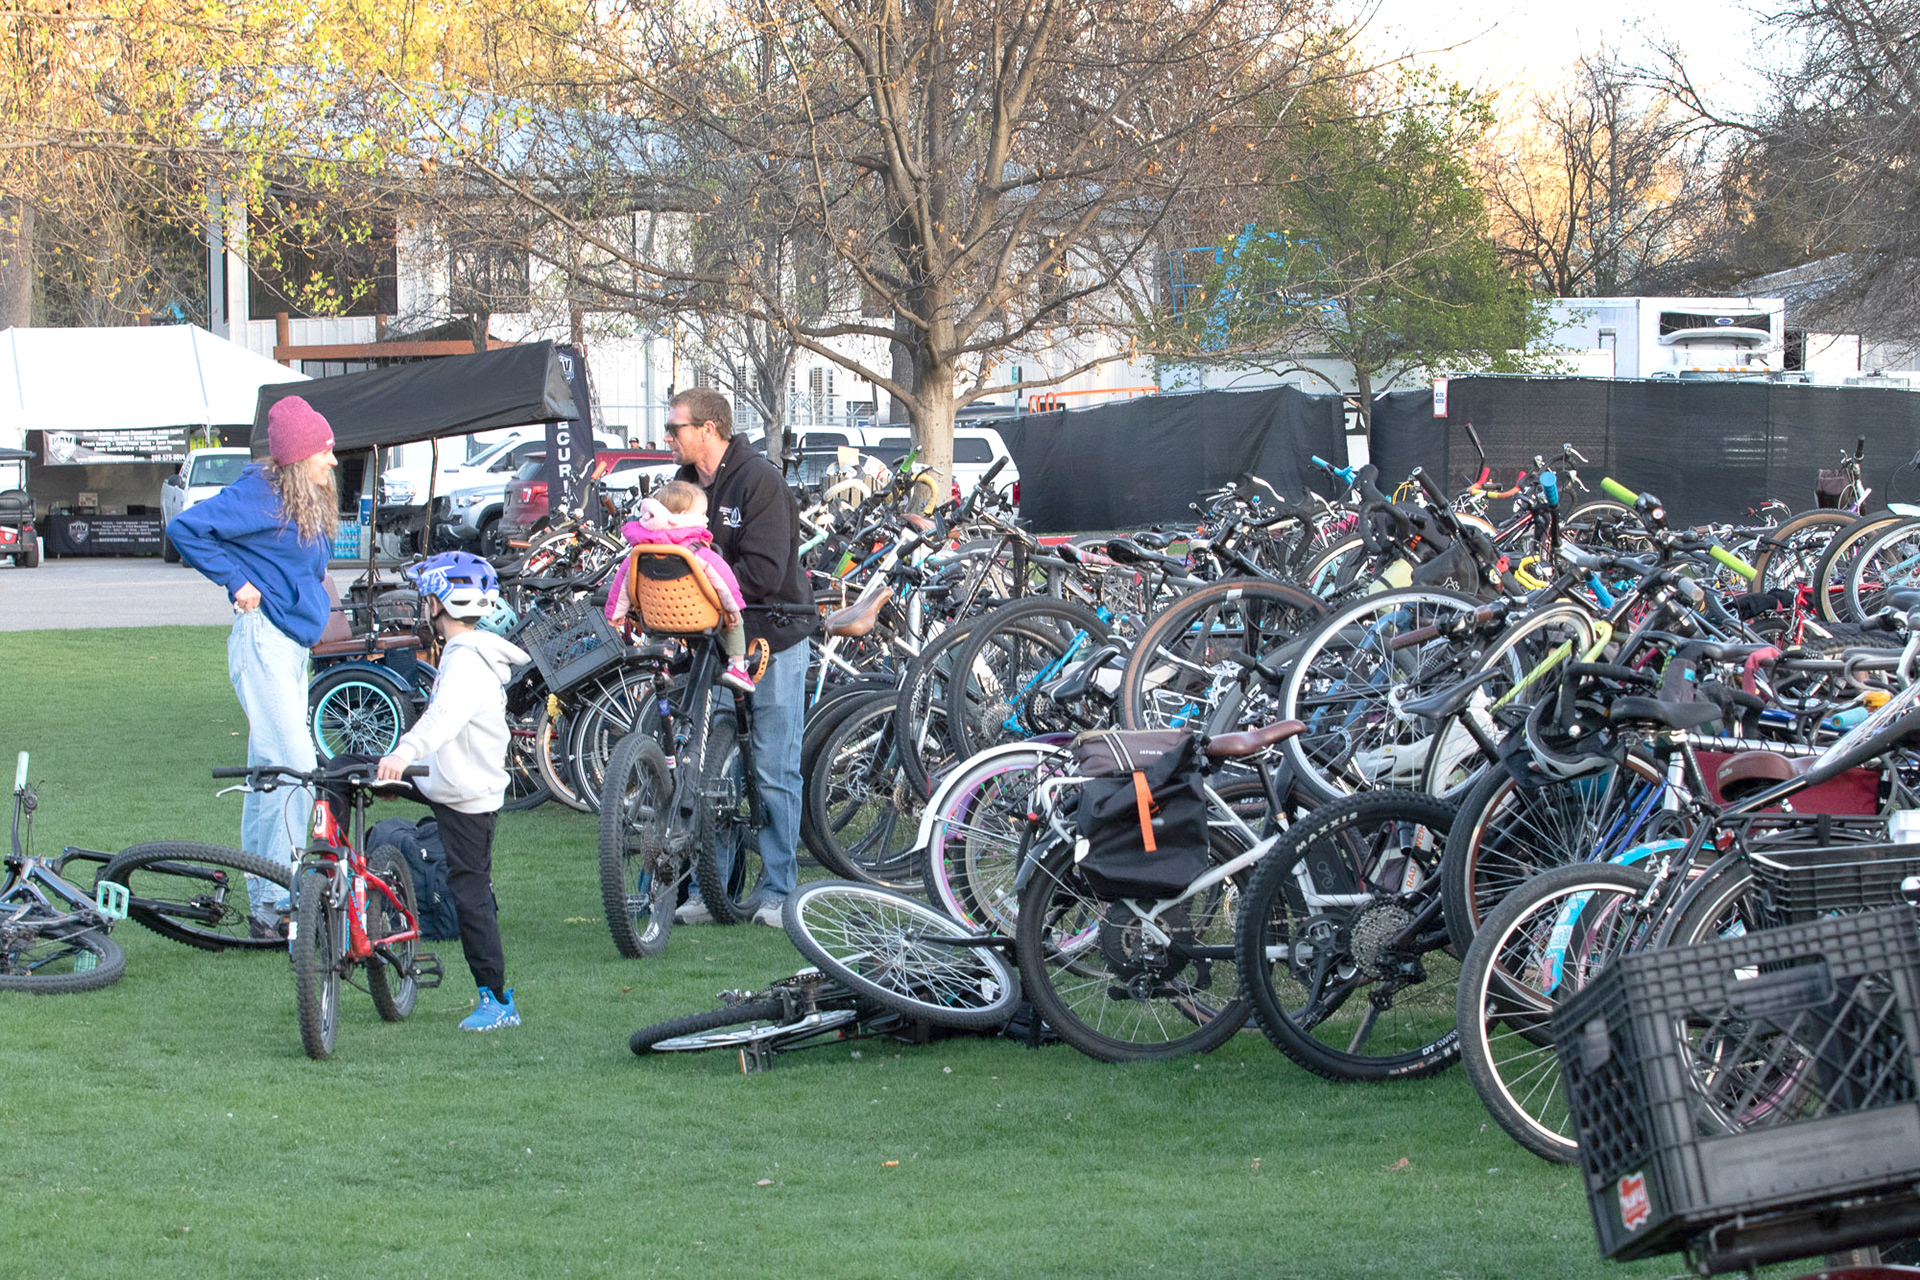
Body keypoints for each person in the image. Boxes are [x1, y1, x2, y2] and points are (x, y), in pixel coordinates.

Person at [168, 395, 338, 937]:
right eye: (324, 451)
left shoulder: (302, 497)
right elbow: (187, 529)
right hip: (263, 642)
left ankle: (267, 910)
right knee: (295, 766)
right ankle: (287, 901)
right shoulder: (260, 494)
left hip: (290, 648)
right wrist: (237, 583)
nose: (333, 461)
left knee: (272, 776)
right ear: (298, 456)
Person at [662, 389, 815, 927]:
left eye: (674, 427)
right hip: (714, 642)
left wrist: (705, 584)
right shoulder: (683, 485)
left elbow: (766, 572)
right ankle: (713, 889)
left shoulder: (759, 481)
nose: (668, 437)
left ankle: (778, 892)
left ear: (709, 429)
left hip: (773, 636)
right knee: (716, 771)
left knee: (772, 768)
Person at [376, 551, 530, 1032]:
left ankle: (498, 1001)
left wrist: (402, 755)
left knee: (471, 895)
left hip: (464, 794)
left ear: (440, 603)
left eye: (427, 597)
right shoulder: (464, 653)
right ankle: (337, 886)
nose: (423, 606)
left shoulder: (466, 663)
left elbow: (442, 720)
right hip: (446, 780)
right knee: (345, 772)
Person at [604, 480, 756, 693]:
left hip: (657, 618)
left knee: (655, 620)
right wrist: (734, 607)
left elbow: (622, 582)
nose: (707, 518)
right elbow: (724, 581)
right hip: (698, 616)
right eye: (702, 513)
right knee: (734, 621)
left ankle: (662, 665)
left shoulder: (640, 551)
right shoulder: (696, 550)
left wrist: (616, 613)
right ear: (684, 515)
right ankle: (738, 667)